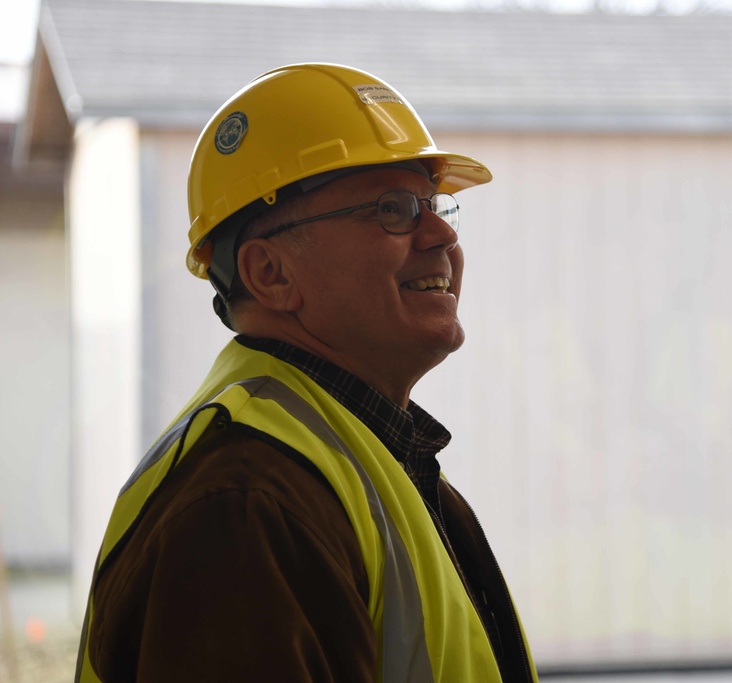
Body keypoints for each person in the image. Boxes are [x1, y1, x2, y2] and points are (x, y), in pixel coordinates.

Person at [75, 63, 538, 683]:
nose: (440, 235)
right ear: (270, 274)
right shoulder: (245, 505)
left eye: (434, 205)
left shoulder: (360, 460)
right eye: (393, 210)